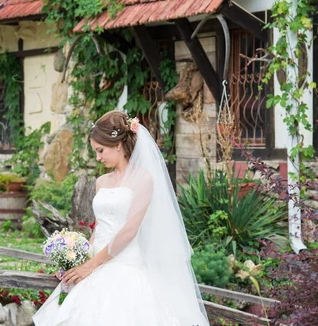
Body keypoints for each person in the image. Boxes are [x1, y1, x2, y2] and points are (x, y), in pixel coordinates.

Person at [33, 110, 209, 326]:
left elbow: (129, 231)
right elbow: (99, 228)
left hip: (125, 264)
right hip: (96, 260)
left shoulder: (143, 179)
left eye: (100, 150)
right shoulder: (101, 182)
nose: (98, 157)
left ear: (117, 144)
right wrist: (80, 260)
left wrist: (90, 266)